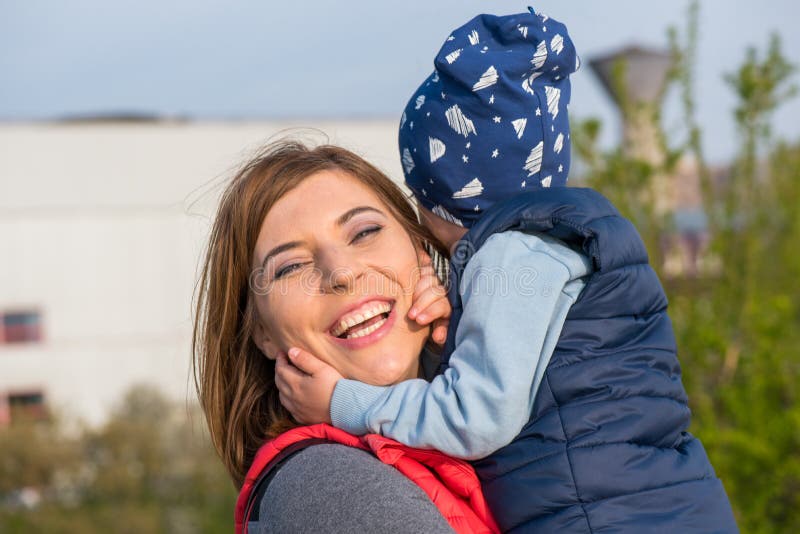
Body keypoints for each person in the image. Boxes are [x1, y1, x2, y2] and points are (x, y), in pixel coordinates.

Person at [276, 9, 739, 533]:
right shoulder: (561, 244)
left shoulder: (509, 258)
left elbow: (476, 418)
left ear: (448, 197)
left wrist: (344, 403)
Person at [192, 139, 498, 533]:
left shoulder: (496, 418)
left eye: (364, 232)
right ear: (262, 333)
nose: (341, 272)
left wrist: (463, 344)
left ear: (421, 252)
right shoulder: (325, 483)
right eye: (290, 267)